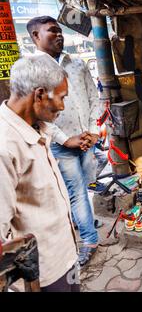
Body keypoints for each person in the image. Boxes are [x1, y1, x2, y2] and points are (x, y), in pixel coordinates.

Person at [0, 56, 79, 291]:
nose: (63, 106)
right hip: (41, 274)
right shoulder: (5, 146)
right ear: (40, 94)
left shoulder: (36, 127)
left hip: (64, 255)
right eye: (62, 98)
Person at [27, 16, 101, 266]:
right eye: (52, 31)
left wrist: (92, 132)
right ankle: (90, 240)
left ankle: (84, 222)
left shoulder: (78, 64)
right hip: (62, 145)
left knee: (86, 185)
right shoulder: (32, 70)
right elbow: (36, 114)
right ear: (35, 36)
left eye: (60, 31)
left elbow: (94, 99)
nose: (59, 35)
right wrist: (65, 139)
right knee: (77, 191)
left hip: (87, 141)